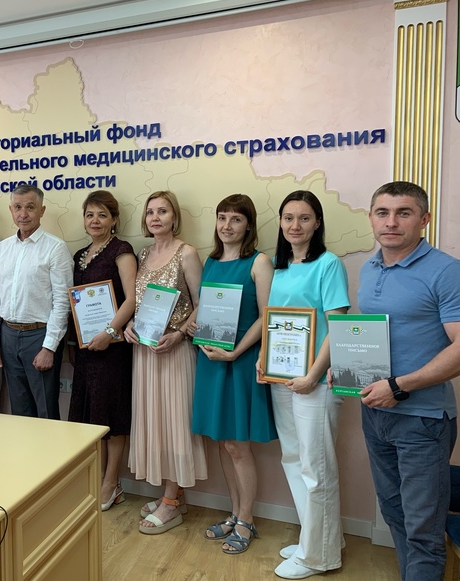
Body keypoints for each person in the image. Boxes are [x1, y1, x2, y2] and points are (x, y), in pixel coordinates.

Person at [357, 182, 460, 581]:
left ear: (424, 219)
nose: (391, 222)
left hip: (423, 420)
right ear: (371, 218)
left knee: (423, 531)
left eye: (404, 213)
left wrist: (399, 386)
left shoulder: (446, 271)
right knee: (395, 514)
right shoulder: (370, 267)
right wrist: (348, 369)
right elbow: (373, 337)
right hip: (375, 415)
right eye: (382, 213)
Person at [259, 190, 349, 579]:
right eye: (288, 218)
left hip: (316, 380)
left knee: (316, 466)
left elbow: (338, 323)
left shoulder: (329, 264)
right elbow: (274, 320)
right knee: (294, 459)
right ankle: (319, 539)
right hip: (282, 377)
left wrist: (313, 374)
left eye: (304, 218)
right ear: (280, 223)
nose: (295, 225)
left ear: (317, 223)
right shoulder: (279, 267)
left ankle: (318, 557)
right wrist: (264, 359)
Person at [188, 194, 276, 554]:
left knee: (238, 446)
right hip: (211, 360)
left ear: (248, 225)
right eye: (222, 217)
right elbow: (204, 309)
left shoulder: (259, 262)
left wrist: (236, 351)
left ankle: (247, 519)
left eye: (236, 219)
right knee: (222, 442)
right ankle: (235, 512)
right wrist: (193, 325)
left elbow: (267, 316)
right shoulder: (210, 261)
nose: (227, 225)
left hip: (239, 361)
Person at [123, 190, 207, 535]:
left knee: (175, 422)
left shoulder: (187, 253)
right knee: (155, 421)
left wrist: (181, 334)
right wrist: (129, 325)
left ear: (174, 217)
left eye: (163, 211)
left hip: (174, 351)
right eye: (150, 212)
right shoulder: (143, 254)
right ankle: (173, 495)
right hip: (145, 352)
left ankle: (171, 501)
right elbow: (139, 302)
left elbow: (203, 304)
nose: (155, 218)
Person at [69, 190, 136, 511]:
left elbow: (132, 299)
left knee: (112, 415)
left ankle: (111, 483)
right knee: (92, 417)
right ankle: (97, 479)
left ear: (114, 220)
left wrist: (109, 333)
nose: (95, 221)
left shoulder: (122, 251)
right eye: (89, 215)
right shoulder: (79, 254)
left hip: (112, 349)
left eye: (102, 215)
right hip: (86, 349)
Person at [0, 184, 73, 419]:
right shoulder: (2, 249)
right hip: (8, 336)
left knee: (46, 411)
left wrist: (49, 347)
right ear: (11, 210)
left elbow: (62, 303)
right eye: (17, 207)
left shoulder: (55, 248)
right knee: (20, 411)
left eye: (30, 207)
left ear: (42, 211)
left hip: (40, 336)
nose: (23, 214)